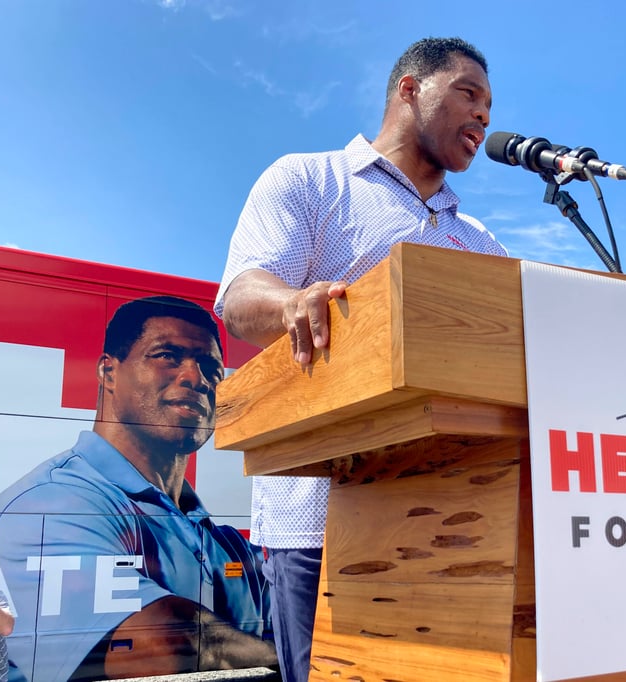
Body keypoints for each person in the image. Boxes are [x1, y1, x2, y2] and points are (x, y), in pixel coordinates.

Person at [215, 36, 505, 682]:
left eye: (489, 107)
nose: (484, 118)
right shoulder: (310, 182)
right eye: (469, 94)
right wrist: (293, 304)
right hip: (318, 526)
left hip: (450, 523)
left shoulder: (480, 241)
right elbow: (239, 296)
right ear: (409, 89)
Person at [0, 296, 276, 681]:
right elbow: (163, 645)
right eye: (168, 355)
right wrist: (301, 659)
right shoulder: (45, 506)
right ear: (109, 372)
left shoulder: (224, 543)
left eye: (211, 367)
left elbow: (307, 619)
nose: (196, 378)